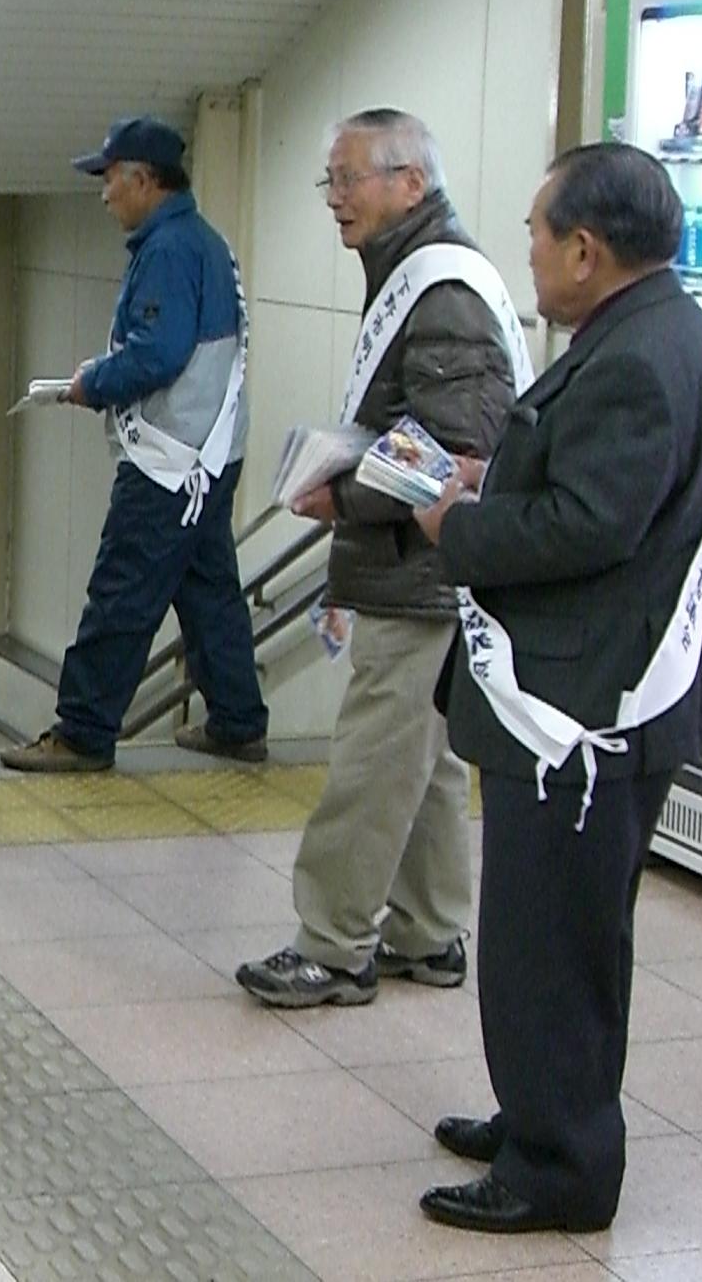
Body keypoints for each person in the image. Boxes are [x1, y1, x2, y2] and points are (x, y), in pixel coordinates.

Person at [410, 143, 702, 1234]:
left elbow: (590, 526)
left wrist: (459, 524)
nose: (532, 256)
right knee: (544, 935)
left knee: (556, 948)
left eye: (540, 236)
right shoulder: (652, 332)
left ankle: (559, 1168)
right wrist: (484, 476)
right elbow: (588, 486)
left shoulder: (643, 357)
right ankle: (536, 1113)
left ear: (586, 250)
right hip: (585, 691)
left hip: (582, 705)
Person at [236, 110, 530, 1008]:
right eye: (328, 180)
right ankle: (430, 931)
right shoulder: (414, 271)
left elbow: (455, 451)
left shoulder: (439, 290)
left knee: (374, 754)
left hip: (422, 565)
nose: (333, 199)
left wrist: (344, 494)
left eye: (348, 179)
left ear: (410, 180)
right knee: (425, 757)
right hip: (425, 561)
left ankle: (333, 944)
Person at [0, 117, 268, 776]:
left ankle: (83, 731)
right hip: (213, 452)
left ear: (145, 180)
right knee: (207, 589)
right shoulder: (204, 242)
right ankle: (238, 721)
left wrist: (94, 382)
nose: (104, 194)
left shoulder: (170, 250)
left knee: (121, 589)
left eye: (111, 179)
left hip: (171, 460)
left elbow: (159, 353)